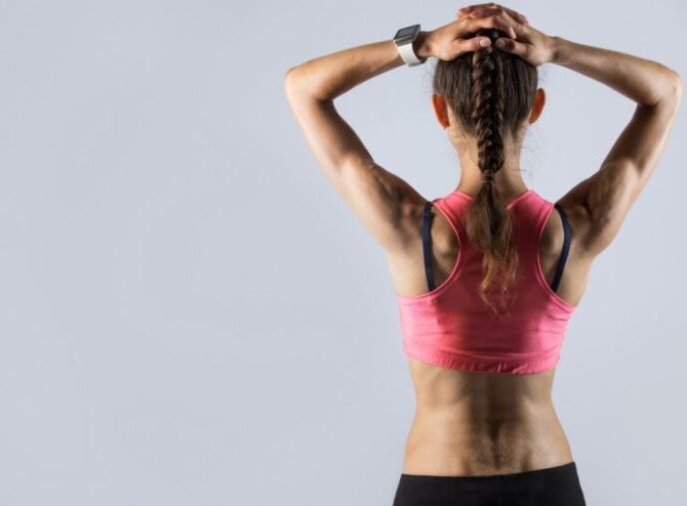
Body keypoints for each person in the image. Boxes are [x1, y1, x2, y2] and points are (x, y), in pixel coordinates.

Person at [284, 3, 682, 505]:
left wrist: (421, 44)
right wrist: (557, 50)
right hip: (547, 484)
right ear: (536, 107)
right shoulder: (572, 231)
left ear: (440, 111)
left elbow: (303, 87)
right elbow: (665, 91)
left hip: (436, 486)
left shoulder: (412, 230)